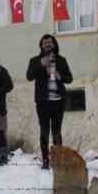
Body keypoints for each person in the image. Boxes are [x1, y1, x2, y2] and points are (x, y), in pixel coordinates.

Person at [26, 34, 72, 169]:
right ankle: (46, 160)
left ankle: (58, 159)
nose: (47, 44)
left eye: (50, 42)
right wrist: (41, 64)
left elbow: (69, 78)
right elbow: (29, 76)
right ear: (41, 45)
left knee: (57, 132)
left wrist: (60, 76)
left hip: (58, 101)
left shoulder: (61, 60)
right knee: (44, 131)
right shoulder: (34, 60)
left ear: (54, 44)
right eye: (45, 42)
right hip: (42, 102)